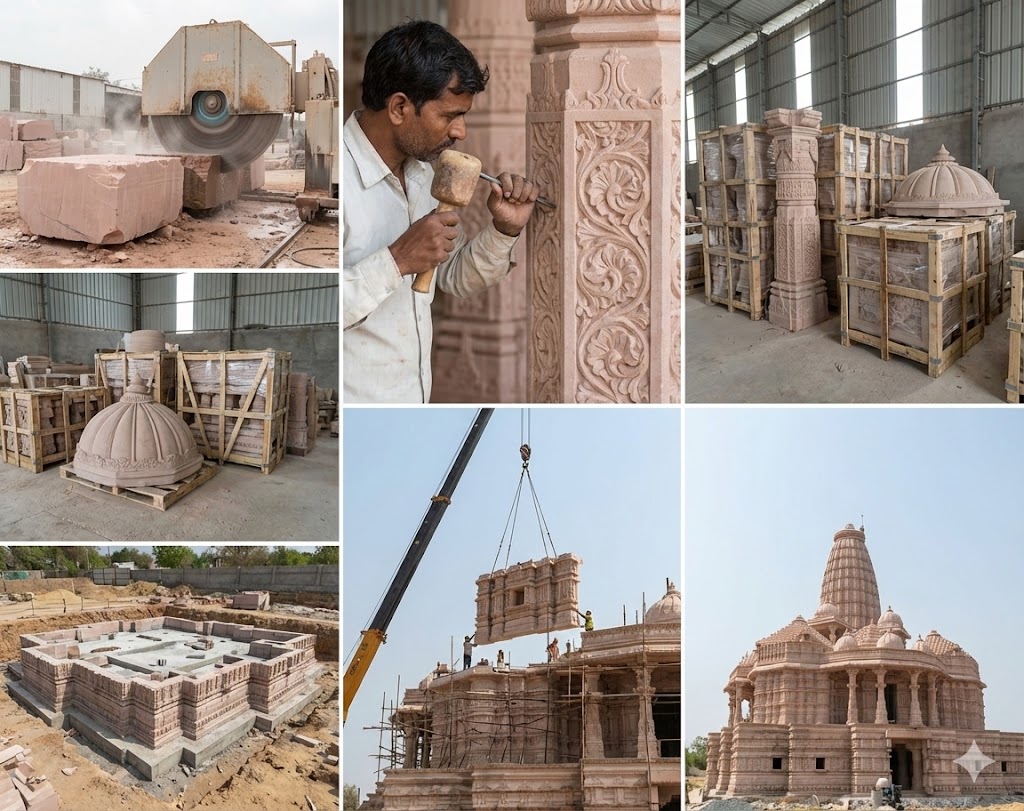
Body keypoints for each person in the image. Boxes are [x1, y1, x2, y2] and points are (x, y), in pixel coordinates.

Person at [344, 20, 539, 403]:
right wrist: (397, 260)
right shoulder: (338, 183)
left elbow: (451, 277)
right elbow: (324, 309)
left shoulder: (424, 176)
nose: (461, 132)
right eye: (450, 116)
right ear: (399, 107)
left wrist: (504, 231)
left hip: (413, 399)